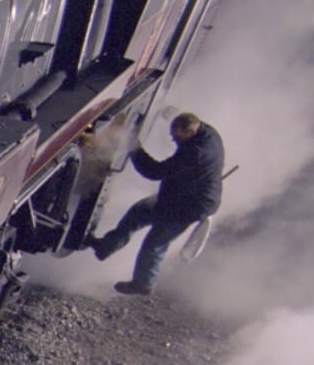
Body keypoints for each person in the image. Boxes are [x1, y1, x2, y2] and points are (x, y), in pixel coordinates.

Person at [90, 111, 223, 295]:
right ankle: (105, 247)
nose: (173, 139)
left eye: (176, 137)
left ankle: (144, 284)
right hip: (179, 194)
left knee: (154, 244)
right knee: (138, 212)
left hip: (190, 207)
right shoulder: (206, 131)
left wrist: (133, 148)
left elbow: (154, 171)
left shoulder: (195, 154)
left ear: (191, 133)